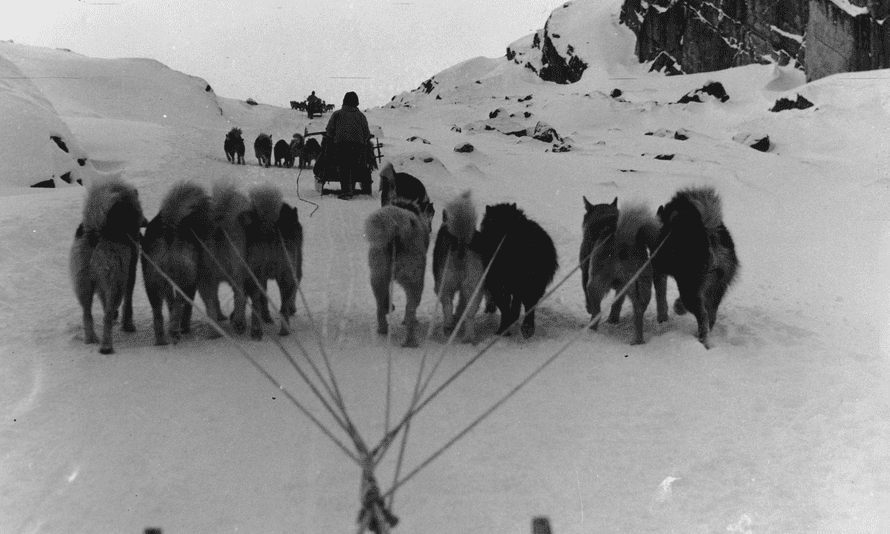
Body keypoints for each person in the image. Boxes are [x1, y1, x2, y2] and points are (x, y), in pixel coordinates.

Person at [324, 91, 371, 200]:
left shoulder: (337, 114)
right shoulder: (361, 116)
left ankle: (346, 192)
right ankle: (351, 190)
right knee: (353, 167)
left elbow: (329, 131)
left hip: (341, 145)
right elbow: (367, 133)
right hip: (357, 147)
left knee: (343, 167)